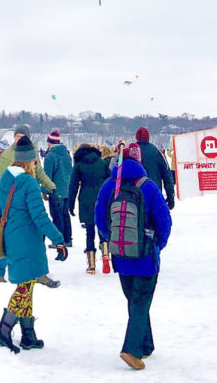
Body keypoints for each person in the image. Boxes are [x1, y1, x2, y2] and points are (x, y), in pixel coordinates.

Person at [0, 136, 67, 354]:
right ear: (30, 160)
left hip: (12, 239)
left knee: (27, 286)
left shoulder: (7, 177)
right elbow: (40, 216)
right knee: (24, 287)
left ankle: (28, 335)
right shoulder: (29, 182)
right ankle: (4, 328)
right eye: (35, 160)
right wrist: (58, 238)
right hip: (28, 242)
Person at [95, 143, 173, 370]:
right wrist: (158, 244)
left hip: (121, 256)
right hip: (146, 257)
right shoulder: (148, 187)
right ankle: (132, 349)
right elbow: (164, 221)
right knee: (140, 302)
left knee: (135, 301)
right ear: (139, 162)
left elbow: (100, 219)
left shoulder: (110, 185)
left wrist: (112, 240)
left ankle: (146, 344)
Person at [0, 127, 56, 285]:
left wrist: (51, 186)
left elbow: (40, 173)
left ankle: (38, 274)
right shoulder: (7, 156)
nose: (18, 139)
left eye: (21, 136)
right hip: (13, 211)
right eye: (16, 136)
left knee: (22, 247)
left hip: (25, 208)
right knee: (14, 246)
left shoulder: (32, 154)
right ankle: (0, 274)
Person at [69, 143, 109, 274]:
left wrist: (71, 203)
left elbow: (73, 185)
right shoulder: (101, 163)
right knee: (102, 228)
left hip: (86, 199)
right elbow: (110, 181)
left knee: (90, 230)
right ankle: (105, 255)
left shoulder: (79, 164)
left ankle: (91, 264)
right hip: (102, 198)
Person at [134, 128, 176, 211]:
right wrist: (170, 196)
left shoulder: (130, 151)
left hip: (134, 194)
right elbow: (167, 176)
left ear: (137, 137)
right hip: (154, 192)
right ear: (148, 137)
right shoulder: (157, 152)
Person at [44, 130, 73, 246]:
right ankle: (68, 239)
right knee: (65, 214)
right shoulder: (67, 155)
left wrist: (44, 190)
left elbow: (47, 176)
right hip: (66, 190)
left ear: (49, 142)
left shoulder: (50, 156)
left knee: (57, 215)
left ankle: (59, 240)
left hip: (55, 190)